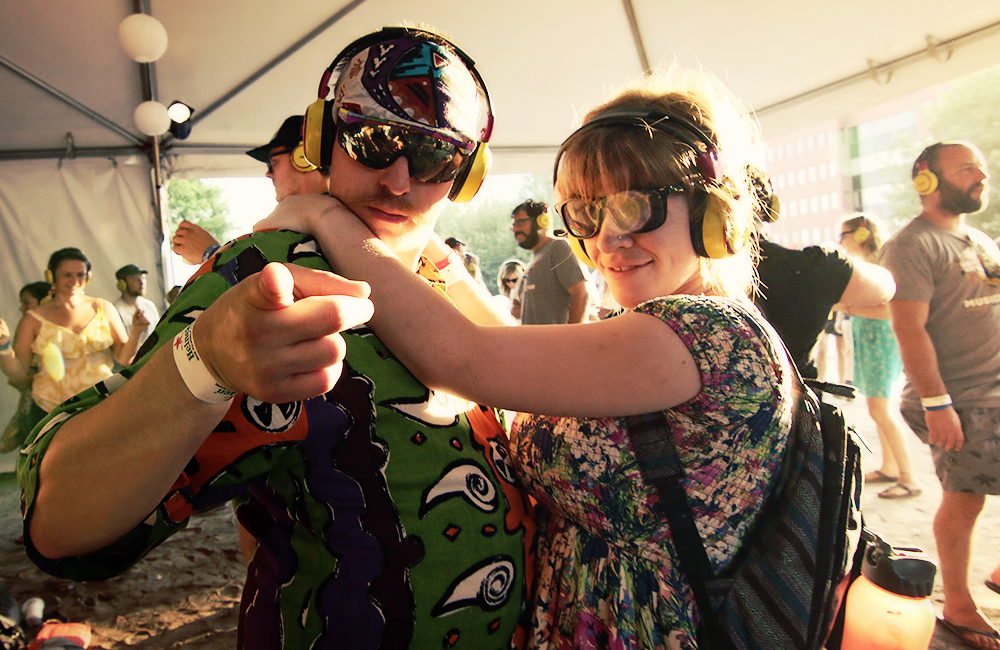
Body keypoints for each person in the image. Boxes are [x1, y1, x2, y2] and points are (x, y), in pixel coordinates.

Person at [20, 28, 532, 650]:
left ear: (465, 174)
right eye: (374, 141)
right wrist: (203, 363)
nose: (399, 181)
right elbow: (61, 527)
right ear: (324, 139)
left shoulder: (441, 272)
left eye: (433, 158)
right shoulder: (269, 271)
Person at [257, 66, 796, 649]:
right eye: (586, 214)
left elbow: (464, 357)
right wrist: (417, 240)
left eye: (636, 207)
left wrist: (323, 216)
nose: (607, 241)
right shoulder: (662, 331)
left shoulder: (705, 336)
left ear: (714, 213)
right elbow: (498, 345)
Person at [881, 140, 1000, 650]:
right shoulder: (911, 245)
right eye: (968, 168)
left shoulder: (978, 239)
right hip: (960, 397)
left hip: (994, 389)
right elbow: (909, 328)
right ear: (926, 179)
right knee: (965, 498)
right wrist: (937, 404)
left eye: (982, 168)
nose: (982, 176)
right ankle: (958, 604)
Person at [750, 167, 896, 380]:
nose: (840, 241)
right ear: (771, 209)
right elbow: (887, 286)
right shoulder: (813, 269)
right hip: (792, 395)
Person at [0, 248, 144, 432]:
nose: (75, 281)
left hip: (101, 405)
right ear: (51, 276)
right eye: (67, 275)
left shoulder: (103, 308)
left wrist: (136, 331)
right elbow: (19, 373)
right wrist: (4, 347)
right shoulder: (33, 319)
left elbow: (124, 359)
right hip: (51, 412)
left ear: (88, 277)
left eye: (80, 275)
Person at [836, 213, 922, 499]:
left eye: (844, 234)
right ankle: (891, 467)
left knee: (880, 409)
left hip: (881, 342)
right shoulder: (871, 266)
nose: (841, 241)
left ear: (861, 235)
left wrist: (846, 307)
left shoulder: (881, 266)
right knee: (877, 408)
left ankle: (908, 477)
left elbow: (888, 311)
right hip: (872, 341)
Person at [170, 114, 331, 266]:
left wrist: (211, 254)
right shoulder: (321, 215)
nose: (268, 173)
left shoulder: (325, 216)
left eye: (273, 162)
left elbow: (274, 274)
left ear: (303, 158)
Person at [509, 200, 590, 324]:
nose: (515, 229)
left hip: (561, 337)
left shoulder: (558, 248)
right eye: (514, 224)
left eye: (520, 223)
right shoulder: (536, 258)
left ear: (542, 221)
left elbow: (582, 294)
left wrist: (573, 334)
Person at [0, 281, 51, 452]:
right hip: (34, 402)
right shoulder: (27, 329)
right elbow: (19, 374)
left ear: (44, 301)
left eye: (27, 302)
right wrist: (4, 346)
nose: (22, 308)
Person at [113, 264, 159, 351]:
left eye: (143, 279)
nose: (142, 283)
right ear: (122, 284)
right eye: (136, 280)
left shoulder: (149, 306)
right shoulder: (116, 310)